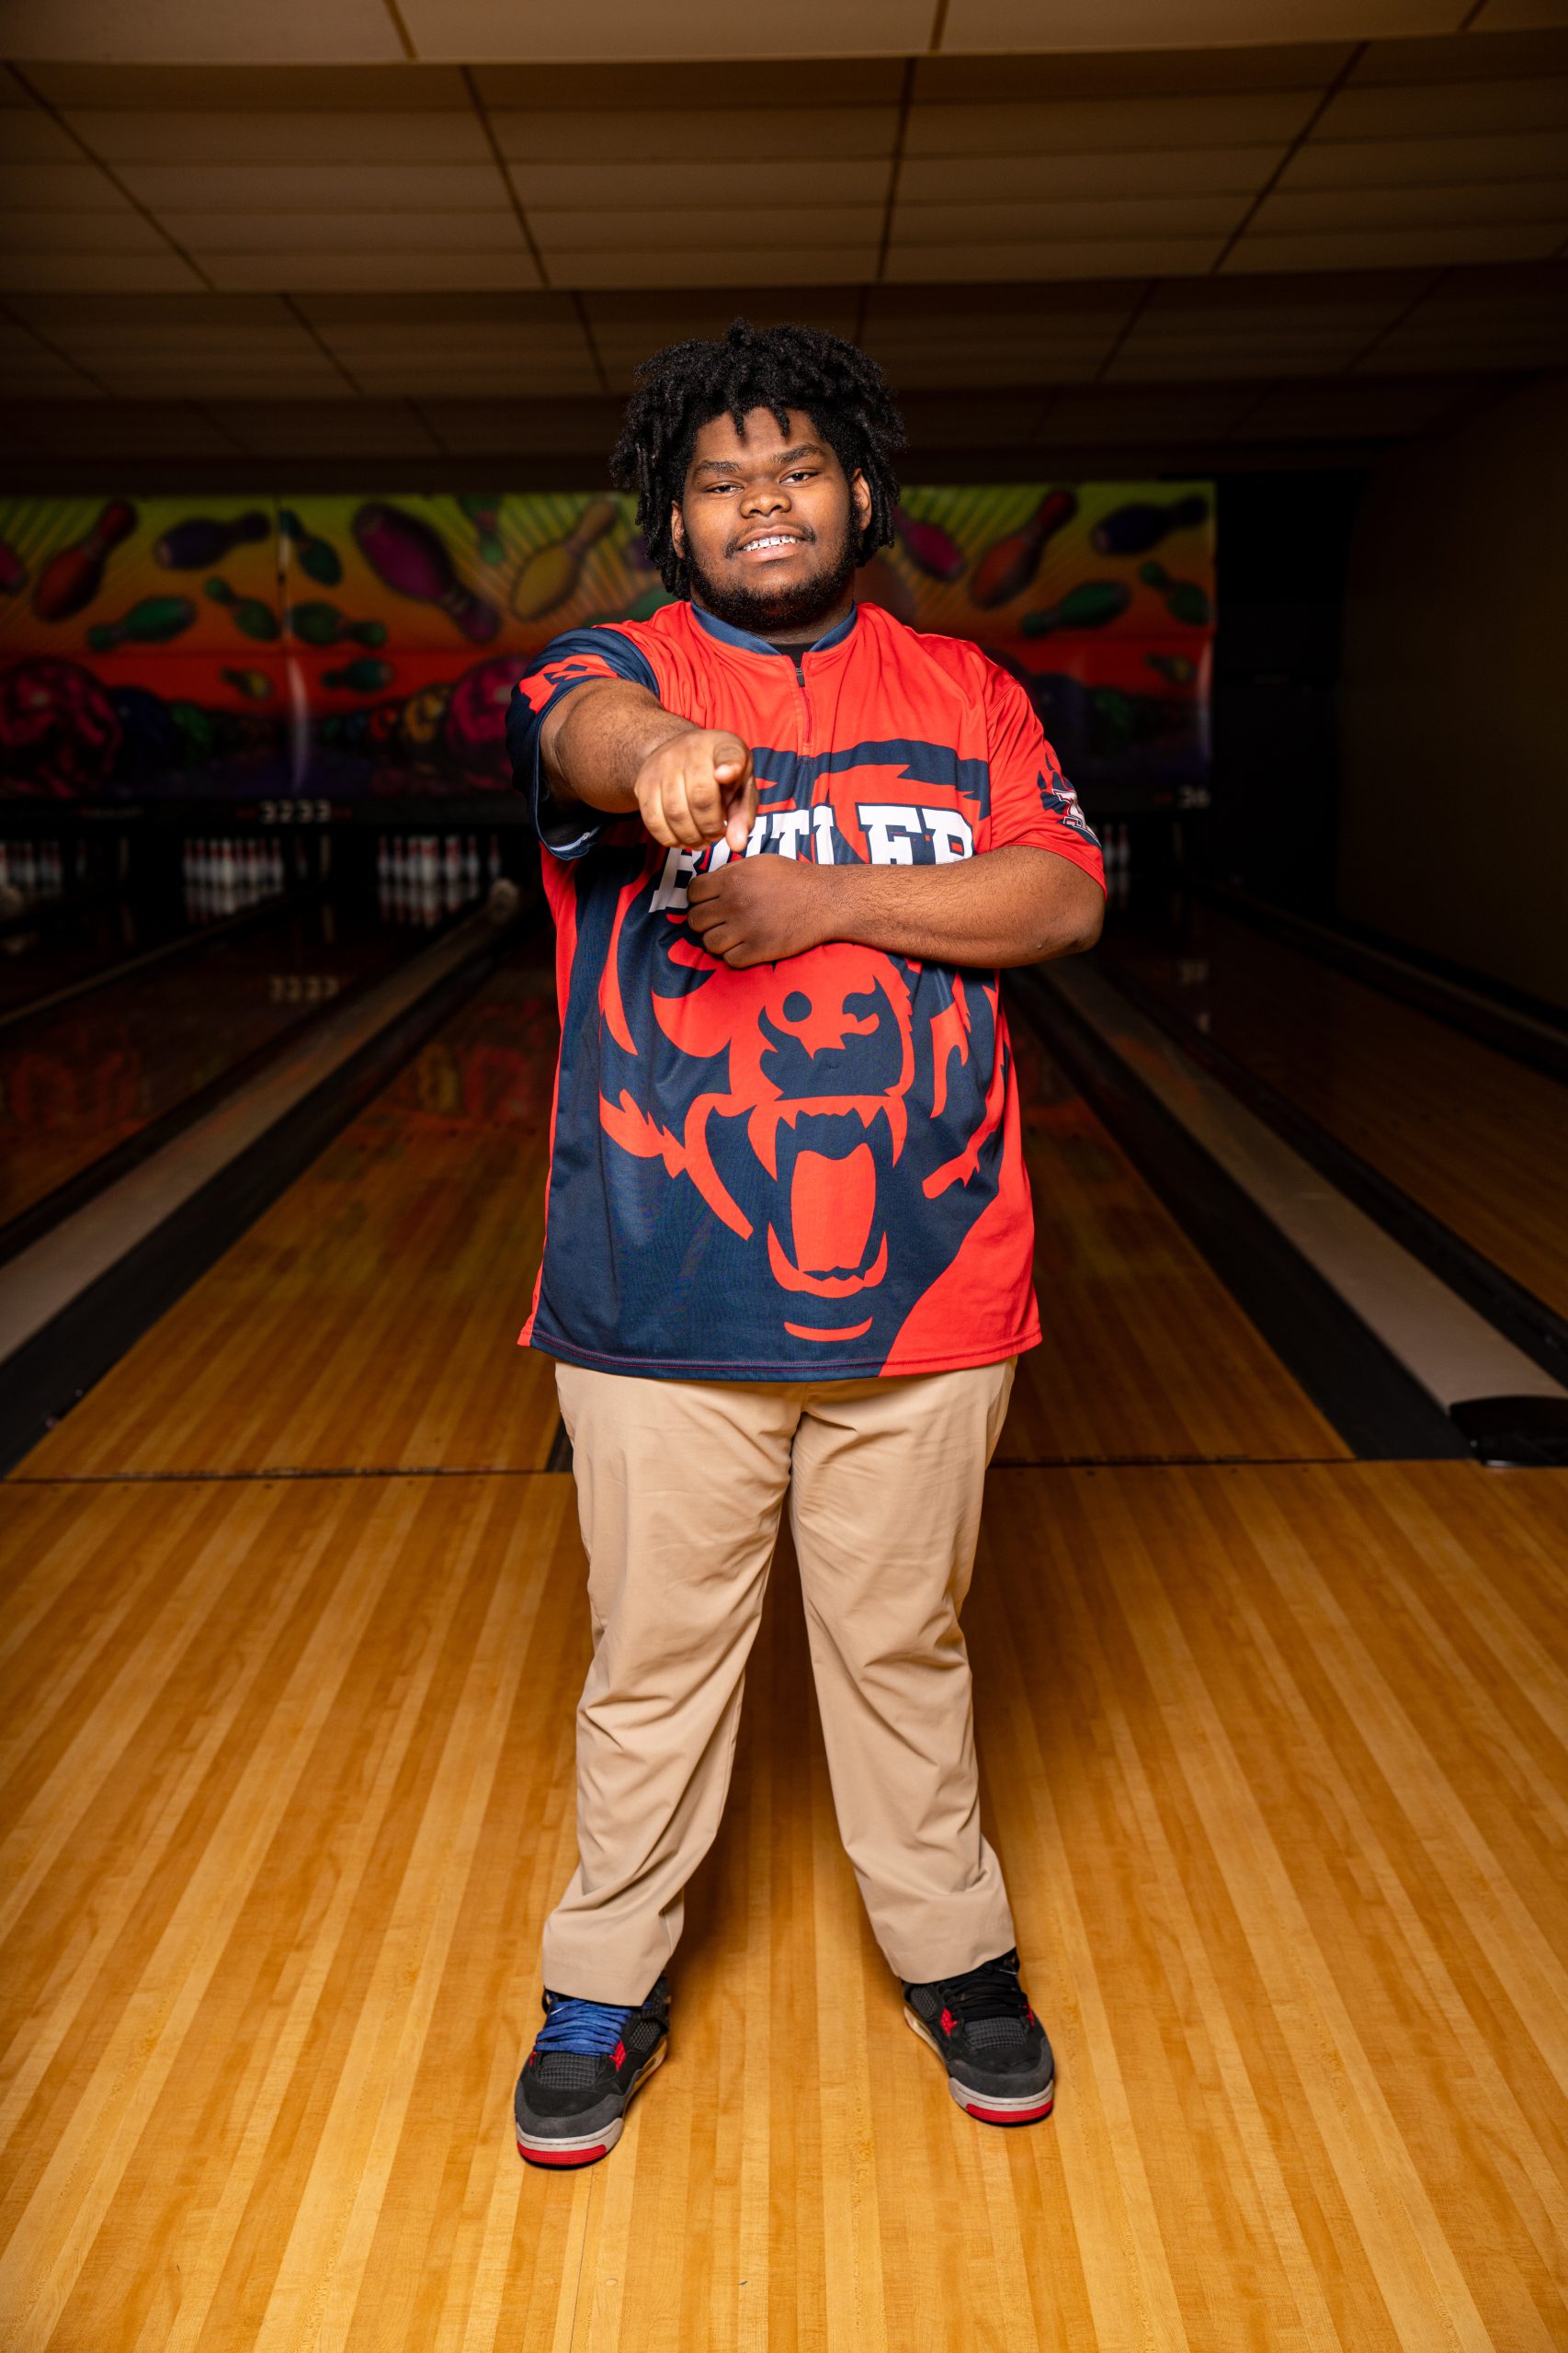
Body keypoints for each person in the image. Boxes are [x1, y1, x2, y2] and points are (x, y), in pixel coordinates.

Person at [506, 320, 1105, 2169]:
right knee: (653, 1664)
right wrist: (665, 751)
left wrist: (821, 897)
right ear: (675, 521)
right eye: (720, 481)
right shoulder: (622, 668)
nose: (761, 501)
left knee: (903, 1646)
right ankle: (603, 1982)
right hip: (661, 1292)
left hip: (935, 1291)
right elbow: (581, 733)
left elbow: (1061, 896)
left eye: (796, 470)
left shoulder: (966, 689)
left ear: (857, 493)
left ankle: (952, 1954)